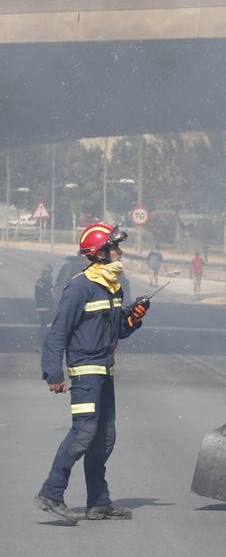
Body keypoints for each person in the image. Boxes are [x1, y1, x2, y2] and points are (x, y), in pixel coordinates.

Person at [35, 223, 152, 523]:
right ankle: (51, 493)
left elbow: (116, 332)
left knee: (104, 437)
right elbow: (58, 332)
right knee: (84, 433)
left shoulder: (113, 286)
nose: (120, 252)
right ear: (100, 253)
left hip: (104, 372)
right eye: (115, 247)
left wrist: (133, 318)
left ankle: (98, 502)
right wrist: (53, 373)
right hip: (85, 374)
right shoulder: (80, 287)